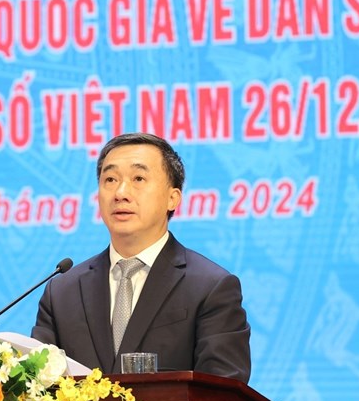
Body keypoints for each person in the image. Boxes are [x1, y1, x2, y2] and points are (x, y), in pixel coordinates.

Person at [31, 133, 251, 382]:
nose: (121, 193)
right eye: (110, 179)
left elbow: (222, 393)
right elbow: (36, 387)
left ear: (172, 198)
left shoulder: (210, 287)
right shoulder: (62, 292)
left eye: (138, 179)